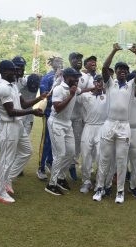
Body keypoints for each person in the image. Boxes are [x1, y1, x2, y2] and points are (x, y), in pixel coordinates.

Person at [92, 43, 136, 204]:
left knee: (122, 160)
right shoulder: (110, 84)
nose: (122, 71)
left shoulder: (131, 85)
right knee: (104, 158)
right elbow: (104, 67)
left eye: (125, 69)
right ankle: (100, 188)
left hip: (124, 126)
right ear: (115, 72)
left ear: (128, 73)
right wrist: (114, 50)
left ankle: (120, 191)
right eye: (119, 69)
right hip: (109, 124)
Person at [0, 60, 45, 204]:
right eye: (12, 70)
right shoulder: (3, 87)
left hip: (18, 124)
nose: (16, 72)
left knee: (27, 151)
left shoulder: (13, 85)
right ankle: (0, 192)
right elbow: (11, 112)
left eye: (16, 70)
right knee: (7, 160)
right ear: (3, 72)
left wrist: (39, 98)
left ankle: (8, 179)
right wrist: (32, 112)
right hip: (9, 126)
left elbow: (22, 104)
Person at [44, 68, 90, 196]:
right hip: (56, 123)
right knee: (60, 154)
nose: (76, 80)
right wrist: (70, 95)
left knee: (70, 153)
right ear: (66, 77)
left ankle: (61, 178)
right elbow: (57, 108)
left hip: (67, 123)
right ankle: (51, 184)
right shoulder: (59, 89)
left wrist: (95, 89)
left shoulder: (74, 88)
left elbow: (82, 91)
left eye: (77, 77)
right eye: (74, 77)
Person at [77, 75, 107, 193]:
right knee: (85, 155)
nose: (100, 84)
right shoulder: (85, 96)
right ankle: (86, 181)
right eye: (98, 81)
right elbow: (74, 94)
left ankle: (100, 183)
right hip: (88, 127)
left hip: (102, 128)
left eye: (103, 82)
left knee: (100, 156)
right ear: (94, 82)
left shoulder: (107, 96)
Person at [68, 52, 95, 181]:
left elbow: (92, 91)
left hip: (78, 116)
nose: (78, 60)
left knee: (77, 143)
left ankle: (72, 165)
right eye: (76, 58)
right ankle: (54, 165)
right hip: (65, 115)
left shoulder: (85, 76)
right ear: (70, 60)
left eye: (80, 58)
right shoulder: (65, 74)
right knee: (64, 143)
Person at [38, 56, 63, 180]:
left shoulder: (64, 77)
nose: (60, 63)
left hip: (60, 114)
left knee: (56, 142)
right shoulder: (47, 78)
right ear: (52, 64)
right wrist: (55, 81)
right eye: (57, 62)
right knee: (46, 141)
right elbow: (45, 96)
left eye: (61, 61)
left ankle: (50, 162)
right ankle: (40, 167)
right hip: (49, 112)